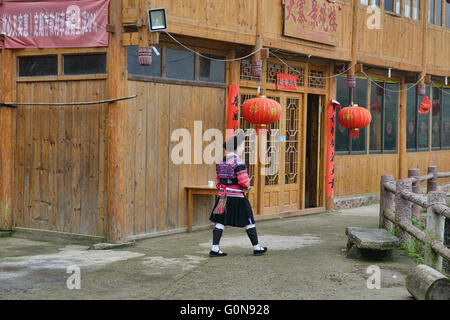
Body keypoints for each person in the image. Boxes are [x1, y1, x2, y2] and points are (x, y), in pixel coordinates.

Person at [209, 131, 267, 257]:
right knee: (249, 220)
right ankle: (257, 248)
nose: (242, 148)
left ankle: (214, 248)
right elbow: (243, 181)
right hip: (238, 196)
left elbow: (219, 179)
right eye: (242, 146)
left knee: (219, 221)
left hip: (223, 195)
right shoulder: (238, 162)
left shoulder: (221, 161)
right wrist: (247, 186)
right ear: (236, 148)